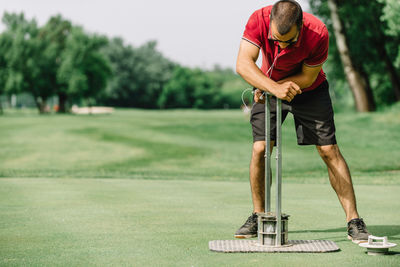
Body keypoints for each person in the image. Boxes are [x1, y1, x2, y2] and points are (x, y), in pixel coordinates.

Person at [234, 0, 370, 243]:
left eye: (290, 41)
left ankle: (354, 220)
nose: (283, 46)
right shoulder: (258, 19)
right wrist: (270, 87)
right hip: (270, 88)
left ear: (301, 25)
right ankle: (258, 215)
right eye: (277, 40)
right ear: (270, 23)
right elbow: (243, 64)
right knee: (261, 148)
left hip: (310, 90)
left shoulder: (318, 32)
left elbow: (308, 77)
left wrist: (274, 87)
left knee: (329, 150)